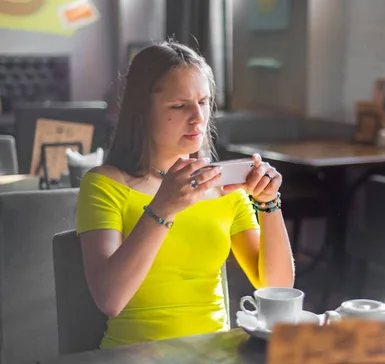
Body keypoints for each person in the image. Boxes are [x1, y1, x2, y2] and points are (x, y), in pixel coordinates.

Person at [76, 40, 294, 348]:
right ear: (141, 111)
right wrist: (162, 209)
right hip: (135, 354)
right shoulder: (104, 184)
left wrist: (269, 203)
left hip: (217, 352)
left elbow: (278, 287)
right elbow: (110, 299)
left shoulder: (225, 188)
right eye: (179, 106)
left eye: (203, 102)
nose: (198, 118)